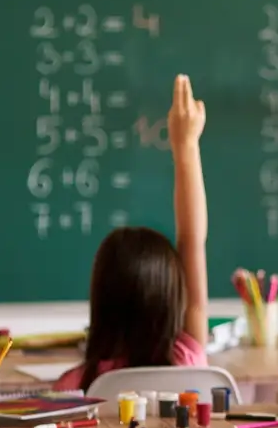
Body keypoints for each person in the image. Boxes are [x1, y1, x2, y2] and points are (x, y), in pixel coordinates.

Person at [56, 75, 209, 392]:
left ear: (100, 300)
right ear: (174, 298)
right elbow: (192, 242)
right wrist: (187, 147)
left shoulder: (77, 387)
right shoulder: (188, 361)